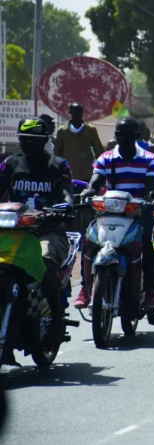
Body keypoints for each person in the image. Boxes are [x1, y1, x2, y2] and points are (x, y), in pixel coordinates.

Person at [0, 117, 74, 346]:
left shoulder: (58, 165)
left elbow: (66, 193)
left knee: (44, 262)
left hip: (47, 232)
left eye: (34, 141)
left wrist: (66, 205)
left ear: (44, 141)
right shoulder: (10, 164)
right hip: (12, 231)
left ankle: (57, 320)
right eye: (24, 140)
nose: (28, 145)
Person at [73, 117, 154, 310]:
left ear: (136, 136)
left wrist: (147, 201)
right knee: (90, 239)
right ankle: (84, 287)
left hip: (138, 213)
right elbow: (96, 182)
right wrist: (88, 192)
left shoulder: (149, 159)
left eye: (128, 135)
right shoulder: (105, 158)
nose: (123, 138)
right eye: (119, 135)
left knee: (146, 241)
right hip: (110, 212)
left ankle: (152, 290)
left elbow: (150, 188)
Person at [54, 103, 105, 181]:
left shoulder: (91, 130)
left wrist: (102, 172)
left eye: (80, 111)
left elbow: (99, 152)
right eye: (75, 111)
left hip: (87, 175)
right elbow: (57, 154)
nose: (78, 113)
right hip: (68, 176)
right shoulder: (62, 131)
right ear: (70, 112)